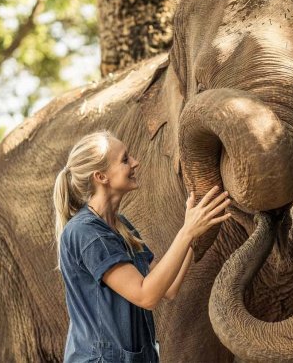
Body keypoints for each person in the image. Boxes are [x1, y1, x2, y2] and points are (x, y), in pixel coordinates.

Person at [53, 130, 231, 363]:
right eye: (125, 159)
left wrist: (193, 235)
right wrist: (187, 231)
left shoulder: (120, 226)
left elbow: (168, 288)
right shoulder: (87, 234)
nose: (135, 163)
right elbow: (146, 295)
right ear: (101, 176)